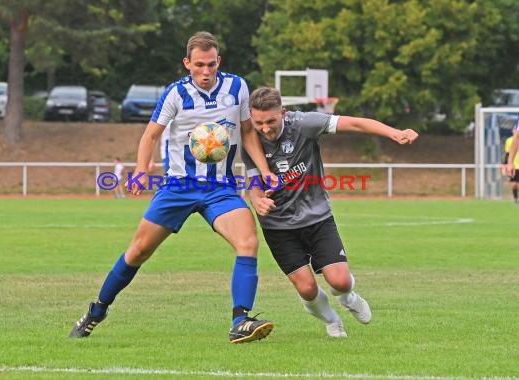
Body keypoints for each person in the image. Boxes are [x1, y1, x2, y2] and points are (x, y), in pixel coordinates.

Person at [70, 31, 278, 344]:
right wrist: (141, 170)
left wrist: (264, 171)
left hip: (221, 187)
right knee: (138, 251)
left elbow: (248, 132)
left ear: (218, 61)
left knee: (248, 242)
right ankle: (97, 310)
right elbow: (150, 135)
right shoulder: (176, 94)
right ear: (187, 64)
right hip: (178, 187)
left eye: (211, 64)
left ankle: (240, 321)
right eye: (199, 65)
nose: (206, 72)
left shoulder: (237, 87)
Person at [242, 87, 418, 338]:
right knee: (306, 289)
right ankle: (332, 320)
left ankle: (349, 298)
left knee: (340, 282)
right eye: (259, 123)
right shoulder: (250, 139)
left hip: (317, 216)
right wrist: (258, 201)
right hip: (278, 225)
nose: (266, 128)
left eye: (271, 121)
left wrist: (395, 133)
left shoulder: (304, 124)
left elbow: (354, 123)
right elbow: (254, 184)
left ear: (282, 112)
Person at [505, 117, 519, 197]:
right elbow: (517, 137)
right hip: (516, 166)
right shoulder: (509, 140)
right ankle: (515, 198)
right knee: (515, 184)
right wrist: (509, 163)